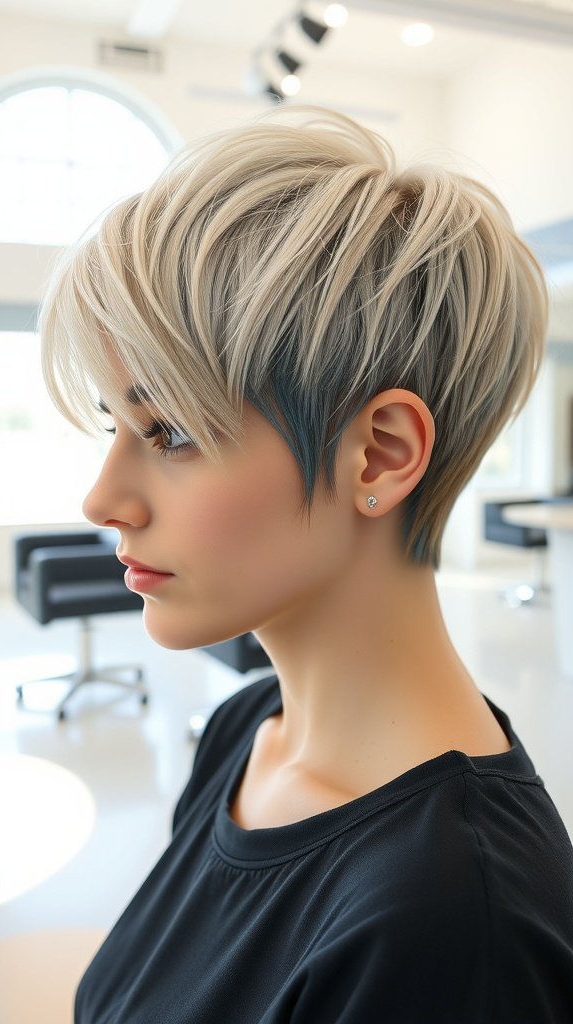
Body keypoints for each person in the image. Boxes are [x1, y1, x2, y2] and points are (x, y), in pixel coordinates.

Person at [40, 106, 573, 1023]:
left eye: (169, 431)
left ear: (379, 455)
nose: (102, 500)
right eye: (112, 426)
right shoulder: (247, 730)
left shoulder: (449, 928)